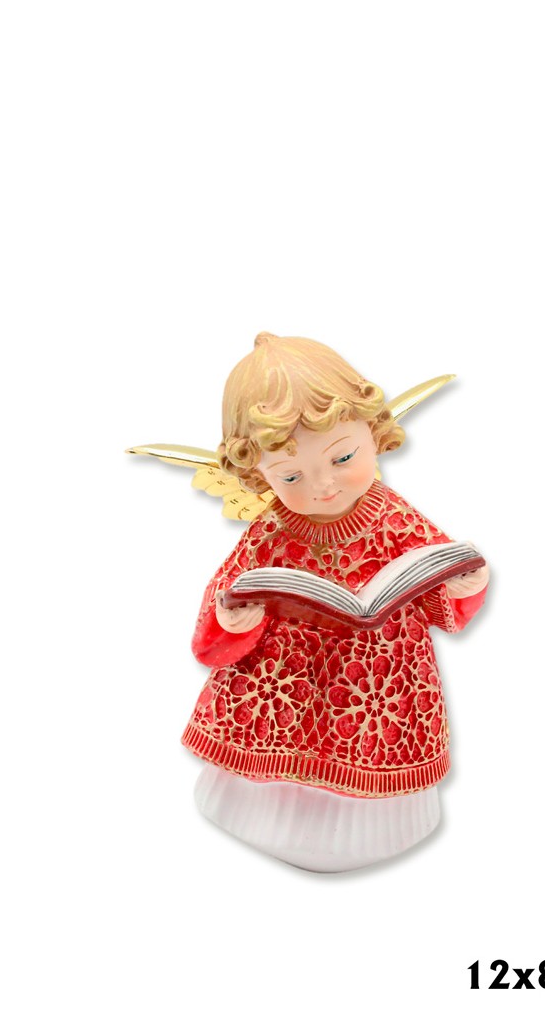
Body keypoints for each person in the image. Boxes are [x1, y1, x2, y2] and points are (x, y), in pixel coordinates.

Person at [182, 332, 489, 872]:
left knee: (368, 742)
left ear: (374, 434)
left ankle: (367, 827)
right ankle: (272, 815)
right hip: (286, 676)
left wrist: (463, 584)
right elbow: (227, 592)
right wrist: (233, 618)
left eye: (343, 457)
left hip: (379, 676)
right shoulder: (271, 528)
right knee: (282, 753)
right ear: (259, 474)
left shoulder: (394, 516)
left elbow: (436, 576)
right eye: (291, 476)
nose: (323, 486)